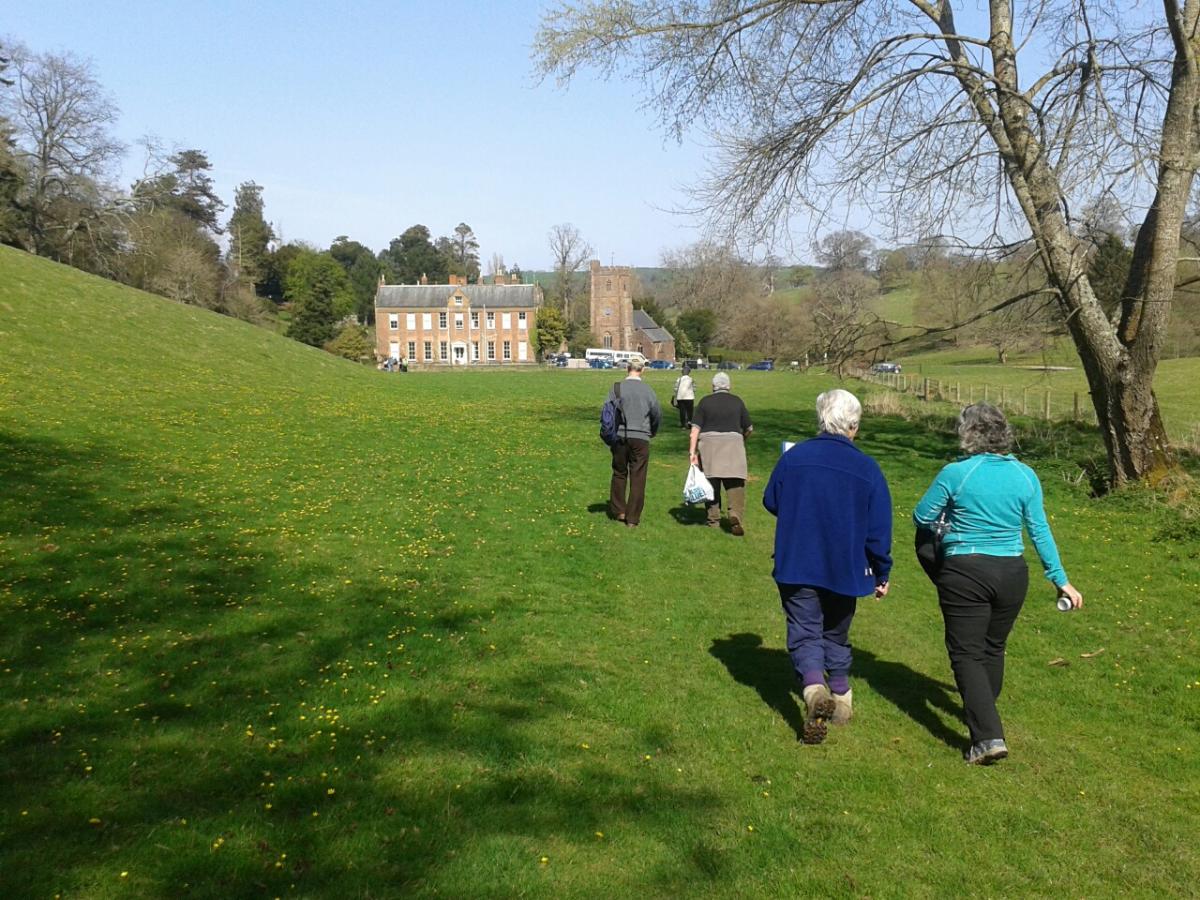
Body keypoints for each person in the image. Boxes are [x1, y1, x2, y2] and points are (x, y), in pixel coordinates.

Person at [913, 403, 1083, 766]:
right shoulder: (1026, 475)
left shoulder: (956, 473)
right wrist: (1061, 580)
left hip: (966, 571)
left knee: (966, 654)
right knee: (993, 647)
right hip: (1012, 573)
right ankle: (983, 710)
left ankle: (987, 737)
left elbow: (922, 517)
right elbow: (1039, 530)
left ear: (968, 433)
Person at [763, 389, 892, 744]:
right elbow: (878, 530)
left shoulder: (795, 458)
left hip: (797, 560)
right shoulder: (867, 468)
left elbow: (771, 500)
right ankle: (841, 698)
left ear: (820, 419)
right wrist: (883, 572)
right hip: (845, 567)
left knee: (805, 628)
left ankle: (813, 689)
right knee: (836, 630)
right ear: (854, 426)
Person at [688, 371, 752, 534]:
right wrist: (742, 439)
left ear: (713, 386)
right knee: (735, 482)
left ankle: (713, 519)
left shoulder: (704, 402)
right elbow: (749, 428)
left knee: (712, 483)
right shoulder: (737, 402)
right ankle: (735, 515)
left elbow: (694, 430)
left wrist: (692, 452)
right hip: (734, 444)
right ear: (729, 386)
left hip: (709, 446)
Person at [606, 358, 662, 528]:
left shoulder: (616, 388)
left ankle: (619, 510)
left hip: (620, 436)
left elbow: (607, 411)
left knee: (619, 473)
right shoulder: (648, 390)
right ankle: (632, 518)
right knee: (638, 477)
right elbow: (657, 414)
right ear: (642, 370)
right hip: (641, 437)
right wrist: (652, 431)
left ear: (627, 369)